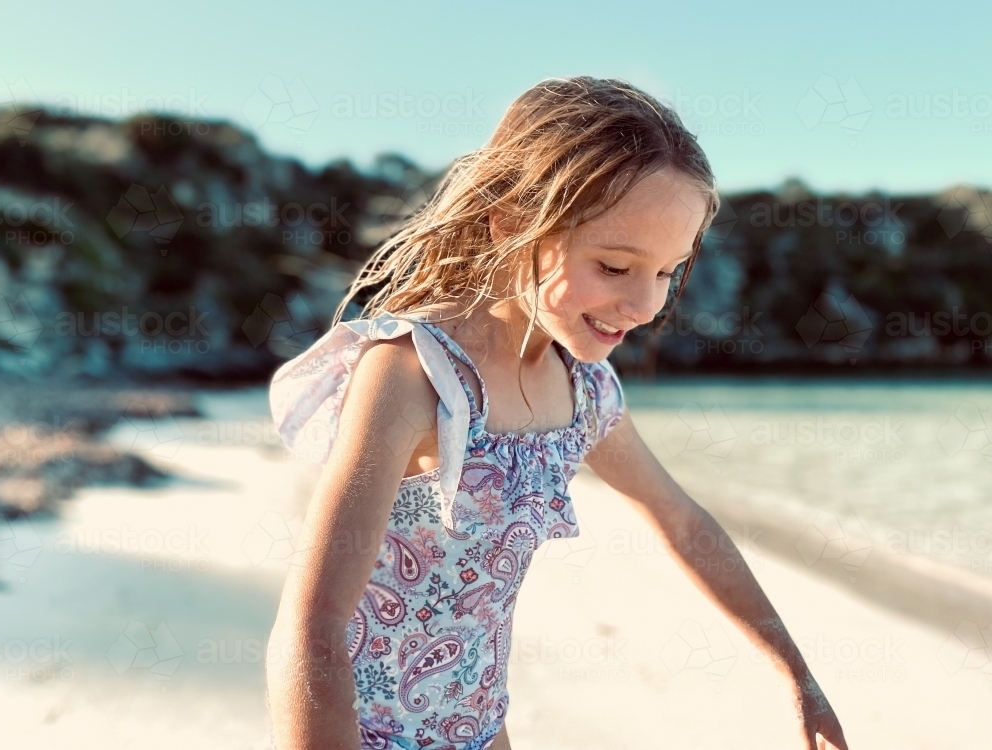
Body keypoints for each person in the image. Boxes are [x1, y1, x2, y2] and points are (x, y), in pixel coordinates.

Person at [265, 76, 849, 750]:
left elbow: (683, 523)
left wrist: (795, 673)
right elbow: (314, 628)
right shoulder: (414, 374)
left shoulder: (585, 392)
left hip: (484, 730)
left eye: (667, 273)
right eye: (614, 265)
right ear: (513, 222)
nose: (646, 304)